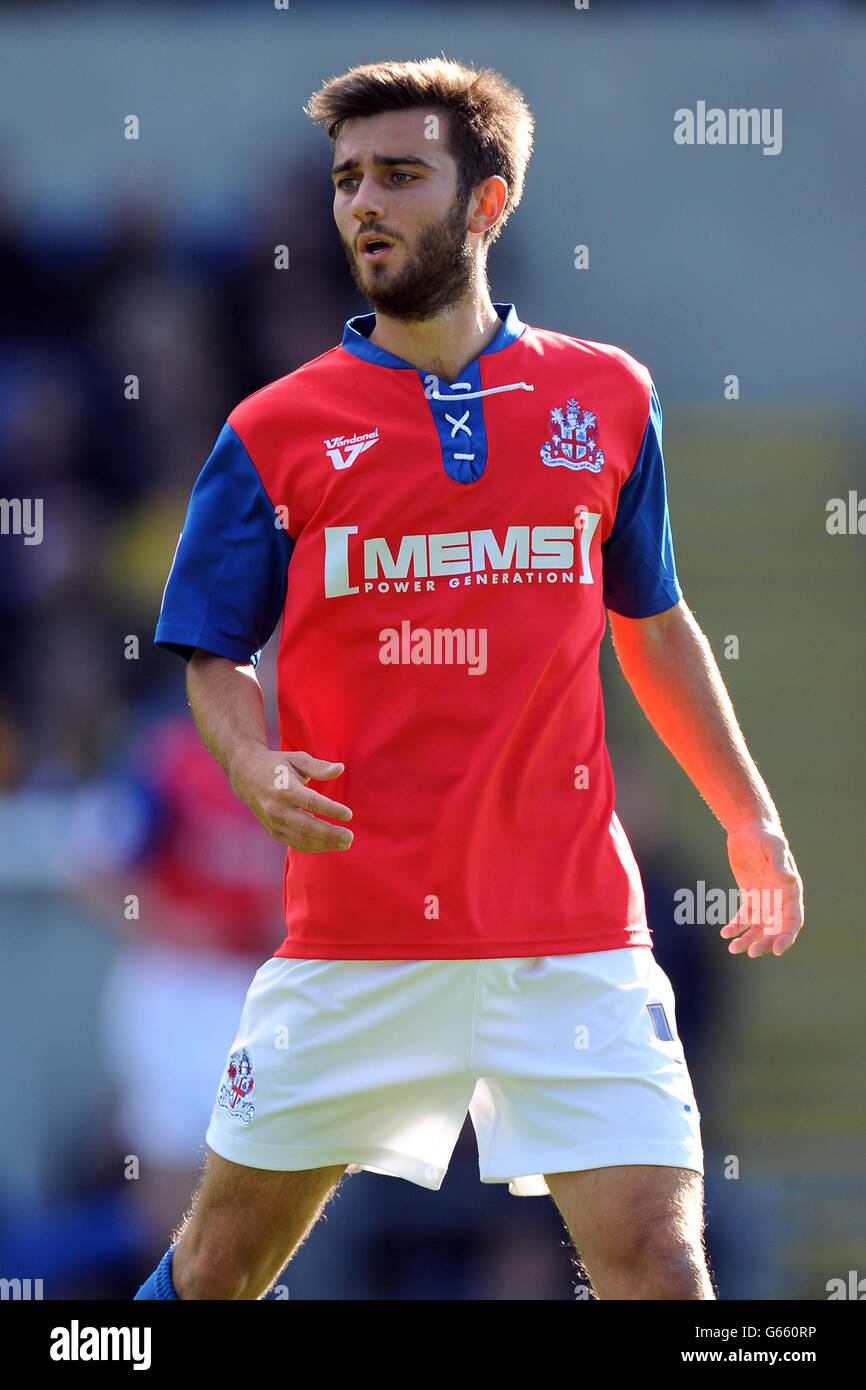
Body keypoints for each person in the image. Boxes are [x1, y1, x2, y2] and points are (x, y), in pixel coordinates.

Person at [135, 57, 804, 1302]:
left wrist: (746, 813)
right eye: (346, 180)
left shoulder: (607, 397)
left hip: (573, 939)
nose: (362, 206)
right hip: (357, 941)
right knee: (219, 1269)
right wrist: (251, 759)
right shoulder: (271, 430)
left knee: (661, 1264)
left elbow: (651, 624)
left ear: (486, 203)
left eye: (399, 174)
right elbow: (211, 655)